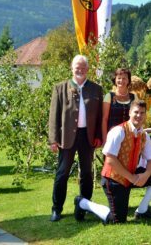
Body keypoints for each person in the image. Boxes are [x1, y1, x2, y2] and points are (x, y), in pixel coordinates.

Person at [74, 100, 151, 223]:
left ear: (145, 115)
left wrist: (145, 176)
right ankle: (83, 202)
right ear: (129, 113)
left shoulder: (144, 135)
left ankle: (142, 210)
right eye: (136, 112)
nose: (139, 115)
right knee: (117, 220)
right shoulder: (118, 131)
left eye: (142, 113)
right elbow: (110, 159)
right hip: (114, 179)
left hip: (132, 174)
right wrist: (132, 178)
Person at [48, 55, 103, 222]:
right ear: (72, 69)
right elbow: (53, 116)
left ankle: (84, 207)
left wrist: (99, 136)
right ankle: (57, 209)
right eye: (76, 67)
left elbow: (100, 116)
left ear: (87, 70)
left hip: (87, 137)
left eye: (83, 67)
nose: (80, 70)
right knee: (62, 173)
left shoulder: (96, 89)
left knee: (87, 173)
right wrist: (53, 139)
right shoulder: (60, 88)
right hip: (66, 137)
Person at [101, 68, 137, 144]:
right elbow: (104, 119)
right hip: (112, 138)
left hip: (129, 137)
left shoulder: (134, 97)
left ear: (128, 80)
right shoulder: (109, 96)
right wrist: (105, 140)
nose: (121, 81)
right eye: (119, 78)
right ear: (115, 80)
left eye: (124, 78)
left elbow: (138, 118)